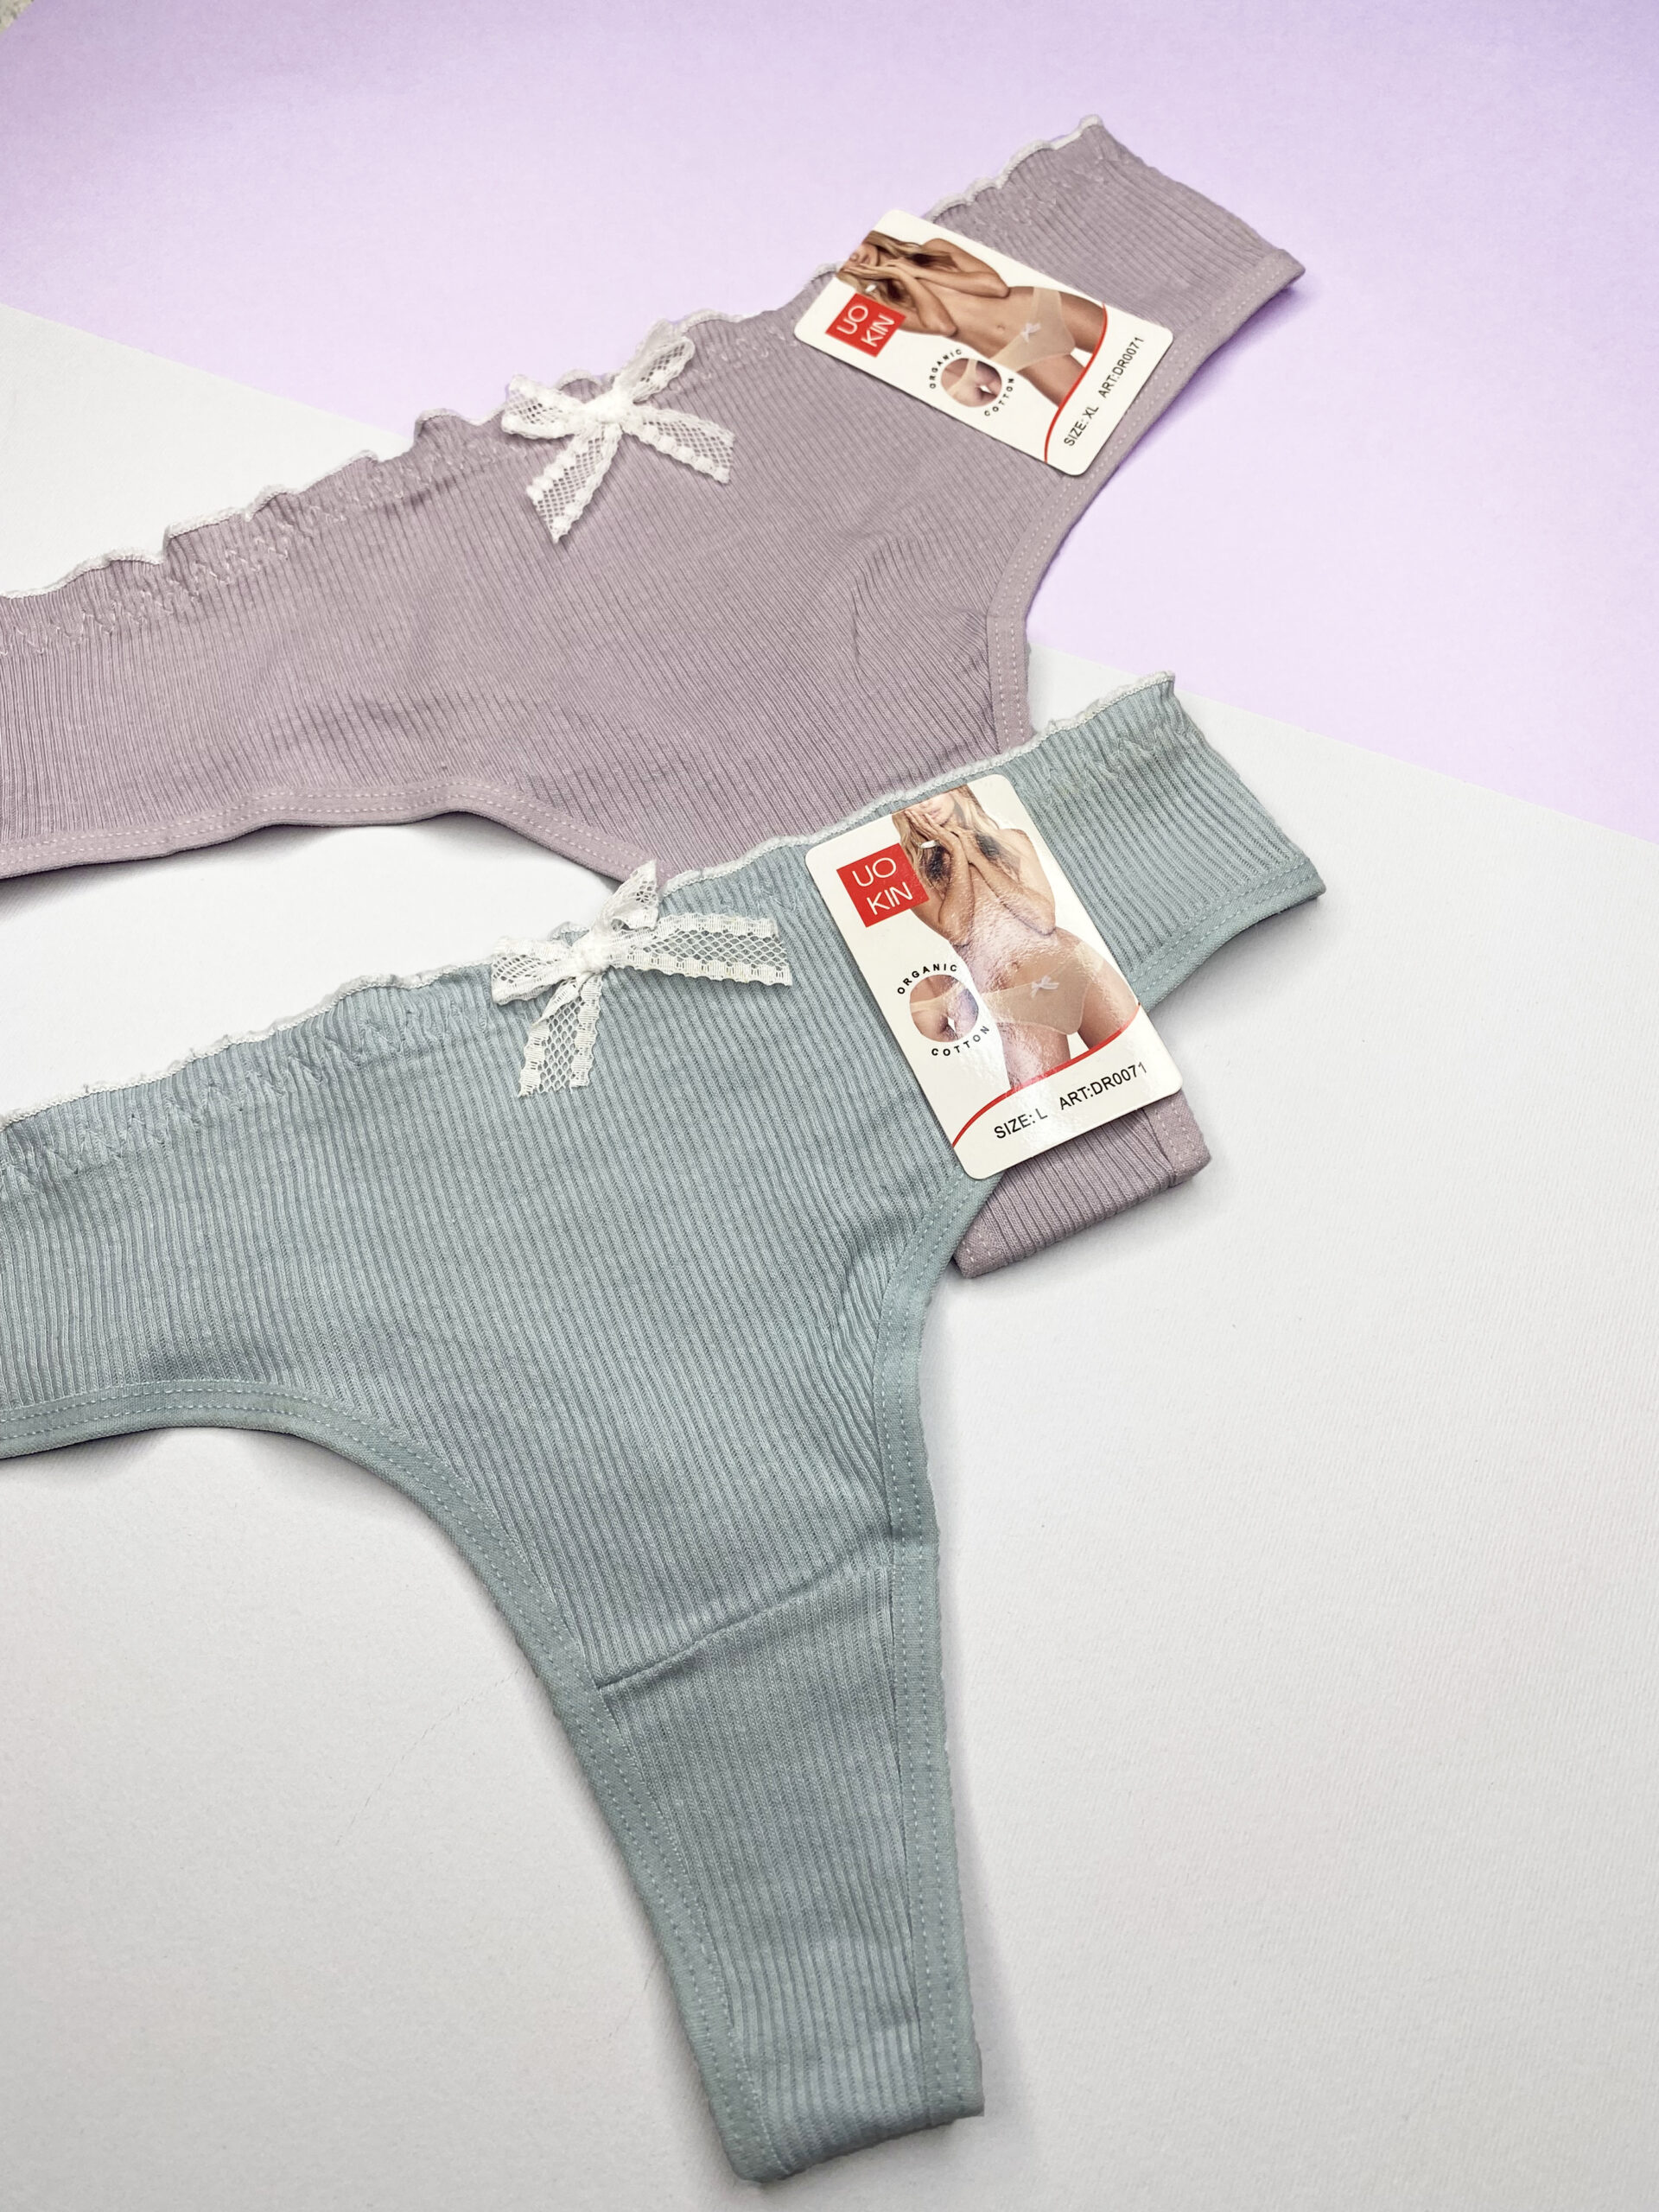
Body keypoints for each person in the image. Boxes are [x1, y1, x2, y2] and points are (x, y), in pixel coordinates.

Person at [893, 785, 1138, 1085]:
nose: (925, 803)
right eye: (911, 800)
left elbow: (1043, 919)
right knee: (1047, 1106)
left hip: (1078, 971)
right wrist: (957, 853)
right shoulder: (908, 876)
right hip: (1013, 1002)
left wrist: (978, 858)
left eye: (932, 791)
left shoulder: (1011, 840)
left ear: (956, 788)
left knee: (1141, 1071)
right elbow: (956, 929)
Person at [839, 232, 1105, 404]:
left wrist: (920, 272)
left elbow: (996, 288)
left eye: (850, 245)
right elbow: (943, 325)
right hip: (1021, 352)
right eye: (844, 263)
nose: (853, 257)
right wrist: (904, 277)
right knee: (1094, 411)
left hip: (1045, 307)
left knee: (1128, 344)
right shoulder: (881, 304)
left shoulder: (934, 248)